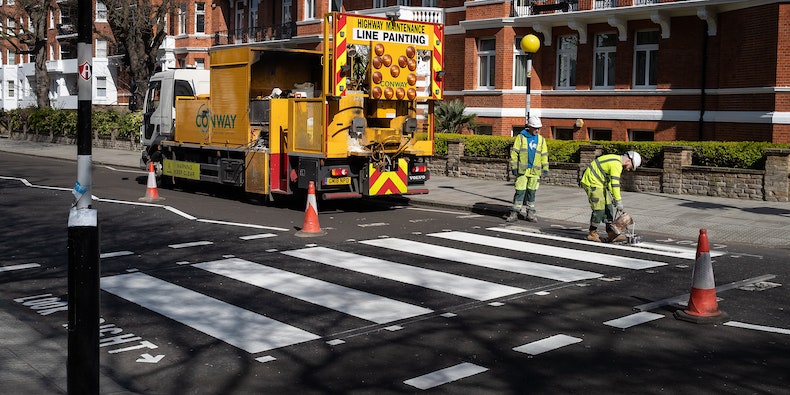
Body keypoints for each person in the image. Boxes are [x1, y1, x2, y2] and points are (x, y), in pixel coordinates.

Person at [580, 151, 642, 242]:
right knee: (599, 208)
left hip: (600, 183)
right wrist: (618, 200)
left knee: (609, 207)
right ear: (629, 161)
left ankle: (611, 233)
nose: (629, 169)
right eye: (631, 167)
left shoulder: (616, 162)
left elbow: (610, 182)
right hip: (591, 181)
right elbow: (615, 184)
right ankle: (592, 233)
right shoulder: (616, 164)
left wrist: (613, 197)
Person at [506, 115, 549, 222]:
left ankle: (530, 213)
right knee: (520, 191)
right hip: (522, 171)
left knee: (532, 192)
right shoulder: (521, 137)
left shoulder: (541, 140)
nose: (537, 130)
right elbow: (515, 153)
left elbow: (544, 155)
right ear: (529, 127)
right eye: (535, 128)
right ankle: (515, 212)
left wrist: (545, 167)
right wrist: (514, 167)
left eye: (538, 128)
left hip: (535, 171)